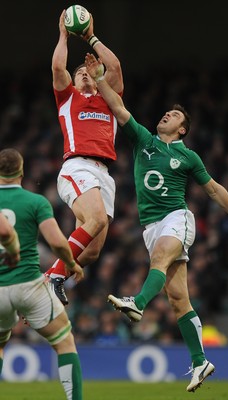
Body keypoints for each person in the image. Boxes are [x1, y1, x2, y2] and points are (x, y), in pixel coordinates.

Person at [85, 53, 228, 392]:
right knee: (178, 300)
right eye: (166, 112)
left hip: (177, 218)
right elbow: (117, 106)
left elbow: (213, 190)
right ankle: (200, 361)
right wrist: (98, 79)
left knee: (160, 261)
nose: (166, 114)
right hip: (150, 226)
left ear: (181, 129)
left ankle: (136, 303)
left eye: (174, 115)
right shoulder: (143, 140)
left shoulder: (187, 156)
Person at [45, 9, 124, 305]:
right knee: (95, 219)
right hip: (77, 166)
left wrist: (91, 37)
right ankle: (52, 276)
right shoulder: (68, 97)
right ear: (74, 82)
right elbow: (57, 68)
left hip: (105, 174)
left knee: (91, 253)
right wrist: (64, 35)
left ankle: (53, 277)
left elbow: (114, 66)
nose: (85, 75)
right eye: (80, 74)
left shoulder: (109, 99)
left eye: (89, 72)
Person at [0, 148, 85, 400]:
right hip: (28, 284)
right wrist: (71, 263)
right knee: (64, 342)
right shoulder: (35, 202)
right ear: (22, 171)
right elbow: (57, 242)